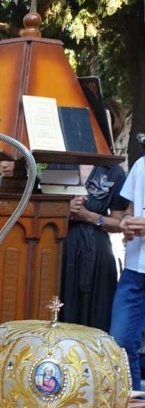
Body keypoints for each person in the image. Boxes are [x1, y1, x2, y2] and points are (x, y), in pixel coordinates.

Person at [59, 161, 127, 332]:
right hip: (61, 247)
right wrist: (65, 210)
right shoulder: (60, 163)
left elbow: (119, 223)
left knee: (97, 309)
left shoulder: (114, 171)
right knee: (59, 304)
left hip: (97, 252)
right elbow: (41, 207)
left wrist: (88, 216)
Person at [110, 155, 145, 391]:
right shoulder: (141, 164)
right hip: (134, 269)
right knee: (119, 340)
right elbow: (128, 211)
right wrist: (126, 224)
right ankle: (132, 406)